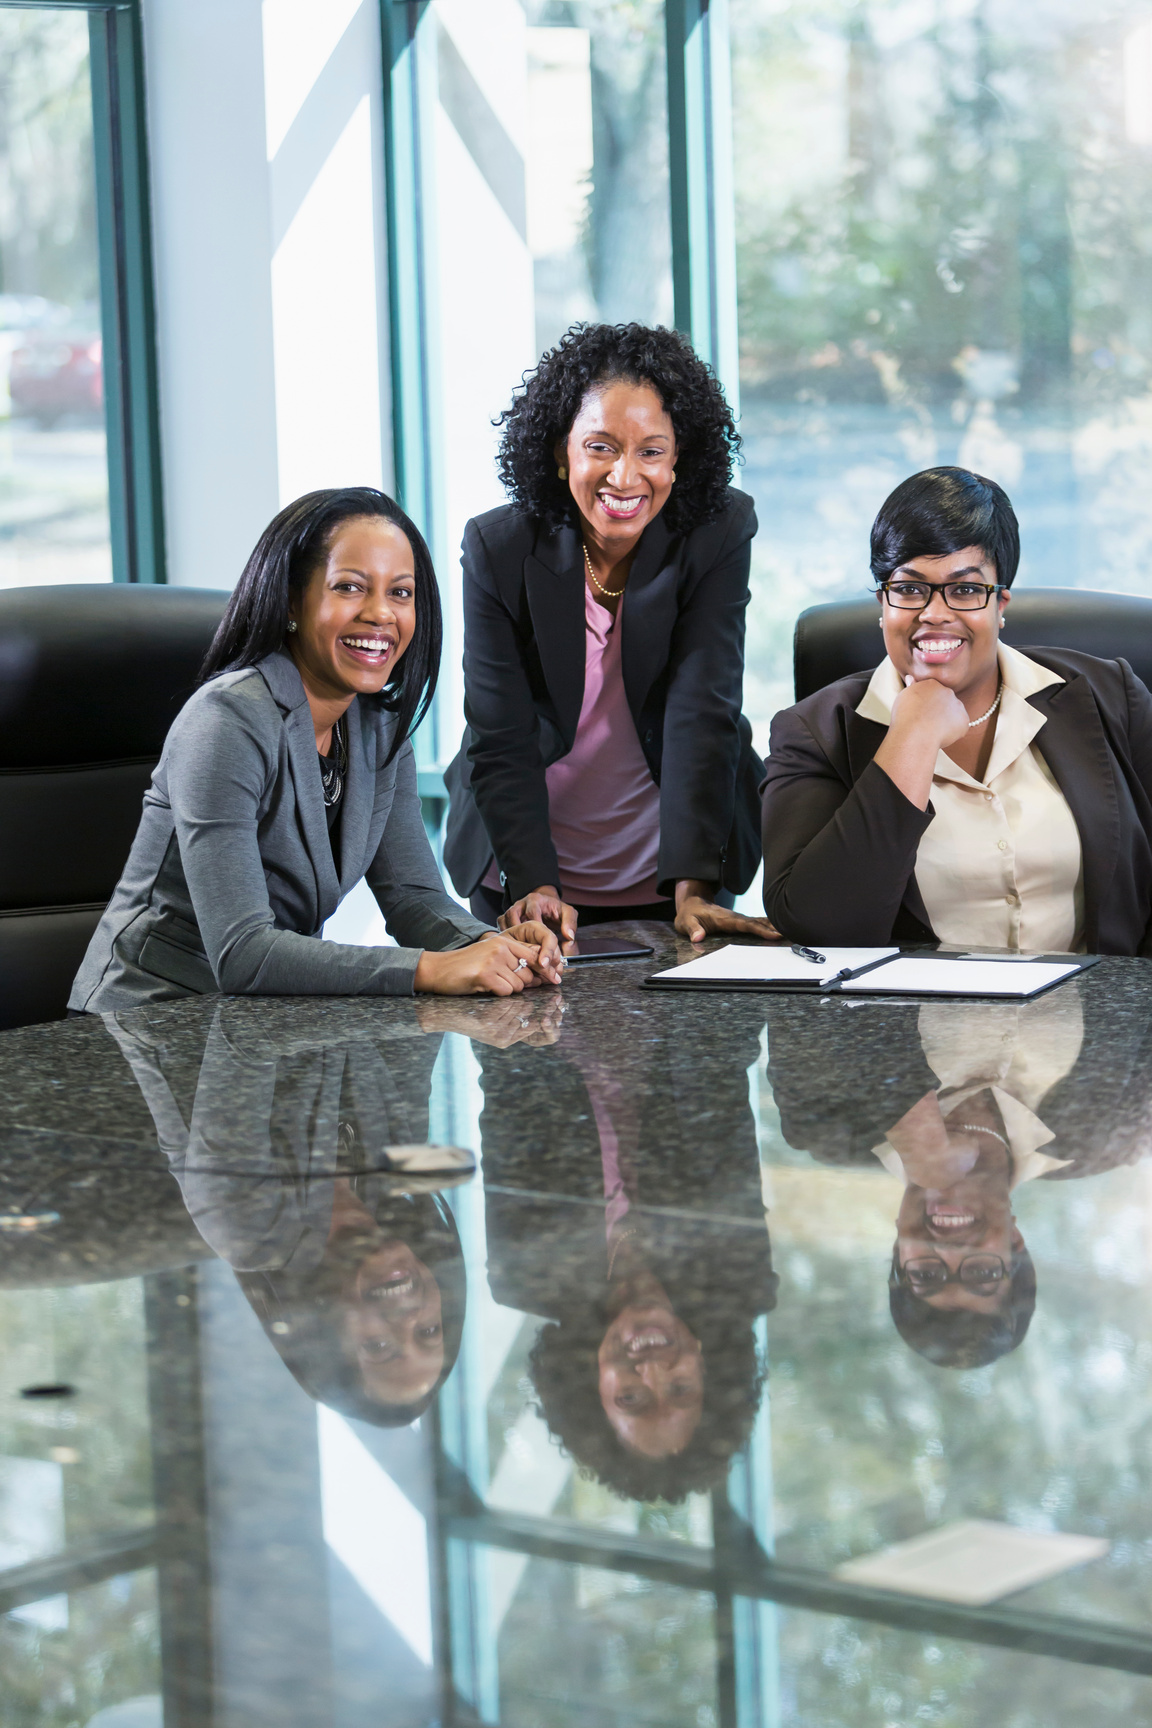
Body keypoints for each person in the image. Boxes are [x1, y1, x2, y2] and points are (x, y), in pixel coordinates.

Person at [69, 487, 565, 1015]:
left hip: (259, 1026)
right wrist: (430, 969)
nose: (381, 615)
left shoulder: (378, 726)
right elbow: (243, 954)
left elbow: (413, 897)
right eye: (350, 587)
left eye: (401, 593)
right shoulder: (226, 722)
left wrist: (492, 946)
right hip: (146, 1024)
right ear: (290, 600)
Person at [444, 322, 777, 945]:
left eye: (651, 451)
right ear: (559, 449)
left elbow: (703, 707)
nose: (625, 477)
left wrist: (695, 884)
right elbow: (501, 733)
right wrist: (534, 885)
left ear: (680, 458)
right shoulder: (499, 547)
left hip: (679, 868)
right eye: (600, 446)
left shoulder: (718, 531)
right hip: (523, 867)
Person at [761, 466, 1152, 952]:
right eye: (908, 588)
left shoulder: (1108, 694)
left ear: (1000, 604)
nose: (934, 613)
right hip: (916, 1023)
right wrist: (912, 738)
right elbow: (817, 925)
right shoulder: (814, 732)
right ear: (882, 604)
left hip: (1100, 1020)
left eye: (965, 589)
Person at [477, 996, 777, 1501]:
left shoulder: (525, 1275)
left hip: (544, 993)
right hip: (674, 991)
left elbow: (505, 1080)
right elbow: (720, 1081)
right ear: (707, 1367)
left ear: (591, 1392)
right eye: (680, 1390)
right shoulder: (735, 1272)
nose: (653, 1370)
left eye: (632, 1398)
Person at [765, 979, 1152, 1366]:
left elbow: (811, 985)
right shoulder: (1111, 1137)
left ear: (899, 1253)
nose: (949, 1252)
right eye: (982, 1272)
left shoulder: (820, 1124)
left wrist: (908, 1119)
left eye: (927, 1275)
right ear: (1016, 1245)